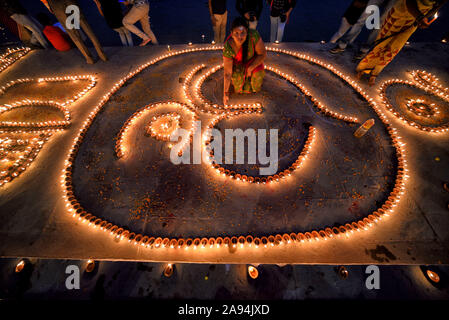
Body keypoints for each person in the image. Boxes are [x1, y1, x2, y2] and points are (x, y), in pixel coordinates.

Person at [356, 0, 447, 85]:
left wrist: (425, 18)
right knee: (382, 43)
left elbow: (437, 5)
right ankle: (363, 68)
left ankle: (375, 73)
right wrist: (420, 17)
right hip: (399, 13)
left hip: (414, 21)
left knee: (395, 47)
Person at [43, 0, 107, 64]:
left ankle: (89, 58)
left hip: (56, 4)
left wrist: (48, 6)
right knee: (85, 25)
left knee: (73, 33)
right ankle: (102, 55)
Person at [223, 17, 266, 105]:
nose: (240, 36)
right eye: (236, 33)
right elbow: (227, 72)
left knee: (257, 76)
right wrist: (225, 93)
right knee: (238, 82)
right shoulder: (228, 47)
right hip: (238, 67)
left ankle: (252, 84)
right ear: (231, 33)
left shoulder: (253, 36)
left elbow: (262, 54)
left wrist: (251, 68)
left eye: (243, 33)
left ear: (247, 32)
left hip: (253, 62)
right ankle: (242, 84)